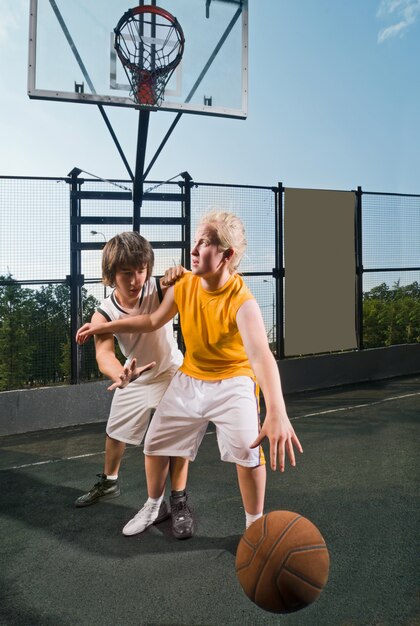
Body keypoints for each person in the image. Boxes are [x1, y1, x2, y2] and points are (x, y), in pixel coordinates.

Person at [76, 211, 303, 536]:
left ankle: (253, 525)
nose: (195, 248)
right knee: (154, 443)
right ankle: (155, 505)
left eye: (205, 242)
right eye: (195, 240)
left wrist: (277, 410)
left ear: (228, 255)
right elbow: (150, 322)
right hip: (181, 376)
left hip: (229, 379)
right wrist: (110, 339)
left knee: (247, 450)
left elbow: (261, 356)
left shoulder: (241, 301)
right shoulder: (183, 283)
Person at [75, 231, 194, 540]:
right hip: (135, 376)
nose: (136, 278)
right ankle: (110, 482)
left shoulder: (158, 287)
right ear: (110, 275)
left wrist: (180, 273)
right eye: (126, 273)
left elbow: (177, 289)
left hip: (170, 371)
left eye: (141, 269)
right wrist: (120, 375)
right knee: (115, 432)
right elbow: (104, 355)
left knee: (173, 438)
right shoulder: (103, 312)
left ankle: (178, 500)